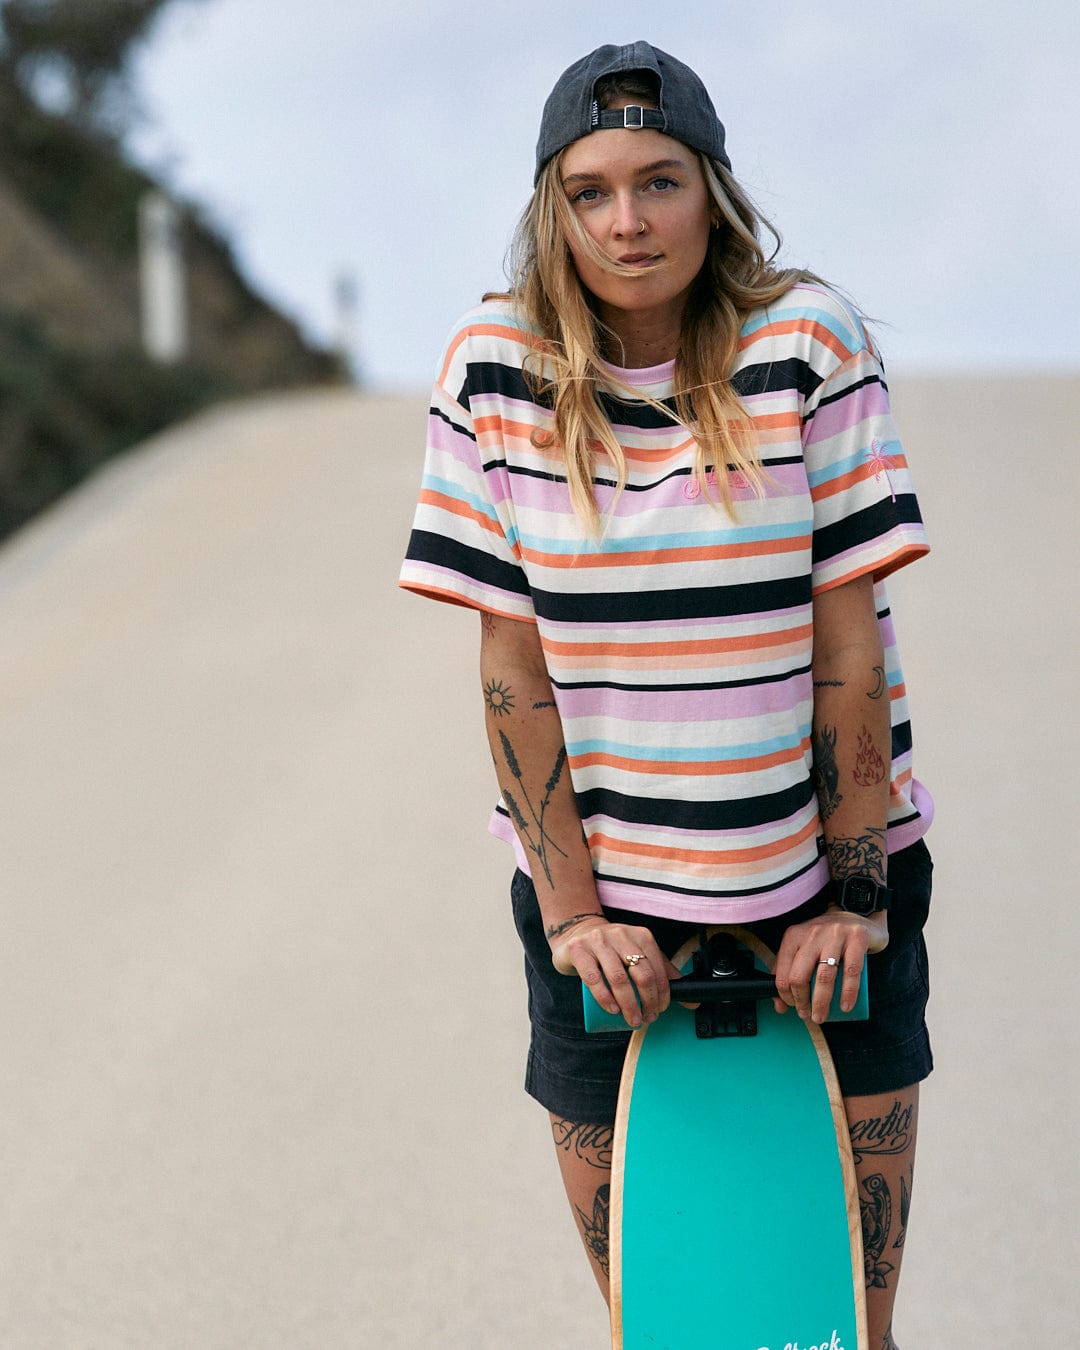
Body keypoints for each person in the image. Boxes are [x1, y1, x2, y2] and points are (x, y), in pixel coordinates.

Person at [400, 41, 933, 1349]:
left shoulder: (808, 340)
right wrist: (574, 910)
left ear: (714, 190)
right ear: (552, 208)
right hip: (603, 916)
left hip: (830, 895)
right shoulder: (493, 364)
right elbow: (511, 666)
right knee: (675, 1319)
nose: (627, 222)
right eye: (589, 191)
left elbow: (849, 647)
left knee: (837, 1323)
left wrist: (855, 894)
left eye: (659, 181)